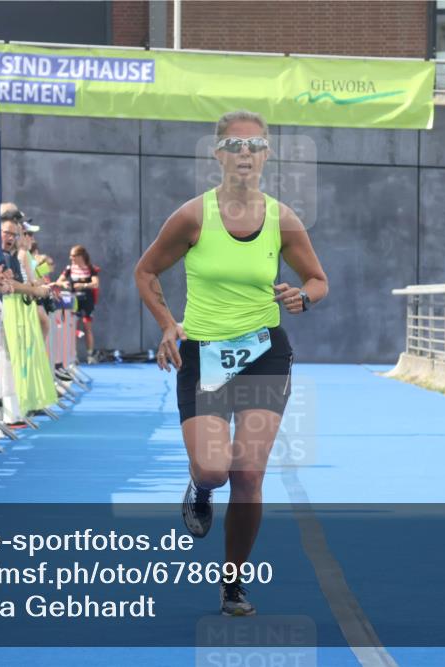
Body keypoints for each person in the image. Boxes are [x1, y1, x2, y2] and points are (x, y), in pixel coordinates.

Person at [134, 110, 328, 616]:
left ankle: (232, 583)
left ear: (267, 155)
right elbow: (146, 270)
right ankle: (199, 486)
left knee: (247, 473)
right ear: (217, 154)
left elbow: (318, 280)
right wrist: (167, 324)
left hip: (265, 351)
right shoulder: (193, 216)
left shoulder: (283, 218)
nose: (245, 154)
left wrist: (301, 297)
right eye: (235, 146)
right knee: (216, 470)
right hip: (204, 353)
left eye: (256, 146)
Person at [57, 245, 100, 364]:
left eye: (74, 255)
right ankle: (72, 355)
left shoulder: (91, 269)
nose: (71, 258)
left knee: (87, 327)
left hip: (87, 301)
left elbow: (95, 284)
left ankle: (90, 354)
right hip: (73, 301)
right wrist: (64, 284)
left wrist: (83, 285)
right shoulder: (69, 269)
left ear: (81, 256)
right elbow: (59, 281)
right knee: (72, 327)